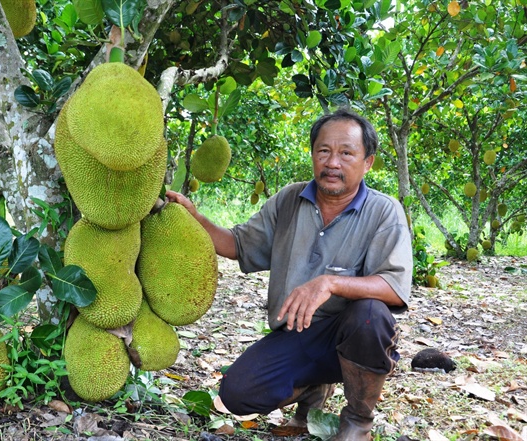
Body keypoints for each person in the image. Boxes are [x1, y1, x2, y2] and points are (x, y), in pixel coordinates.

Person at [165, 108, 412, 440]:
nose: (332, 163)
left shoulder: (384, 211)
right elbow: (238, 244)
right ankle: (313, 390)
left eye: (346, 153)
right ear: (312, 154)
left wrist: (330, 283)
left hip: (349, 336)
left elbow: (394, 287)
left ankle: (357, 421)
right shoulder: (288, 201)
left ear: (367, 162)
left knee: (371, 315)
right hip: (295, 333)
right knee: (237, 393)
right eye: (323, 151)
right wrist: (193, 217)